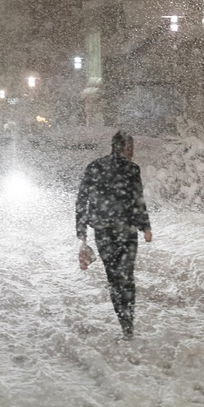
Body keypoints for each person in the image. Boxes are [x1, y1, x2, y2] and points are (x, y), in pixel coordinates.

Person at [75, 130, 152, 339]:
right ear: (126, 147)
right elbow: (138, 200)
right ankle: (128, 324)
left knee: (113, 276)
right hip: (126, 231)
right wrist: (145, 226)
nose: (133, 152)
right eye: (131, 147)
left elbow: (82, 199)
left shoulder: (95, 167)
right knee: (126, 276)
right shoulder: (131, 169)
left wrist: (81, 230)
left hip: (103, 231)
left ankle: (122, 316)